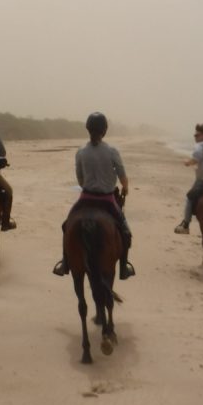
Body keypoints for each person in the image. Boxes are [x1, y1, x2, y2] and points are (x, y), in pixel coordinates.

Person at [53, 112, 135, 280]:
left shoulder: (81, 152)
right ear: (104, 130)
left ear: (88, 130)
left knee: (67, 226)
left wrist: (89, 187)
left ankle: (65, 262)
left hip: (85, 199)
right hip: (108, 200)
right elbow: (122, 174)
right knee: (125, 231)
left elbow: (80, 178)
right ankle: (124, 267)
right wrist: (125, 187)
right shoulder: (112, 151)